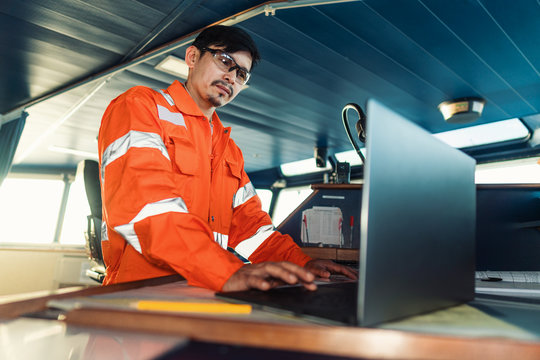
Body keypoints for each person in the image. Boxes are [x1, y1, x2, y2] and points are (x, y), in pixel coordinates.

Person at [98, 25, 356, 292]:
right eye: (225, 61)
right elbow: (147, 208)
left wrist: (302, 264)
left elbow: (252, 231)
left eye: (241, 73)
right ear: (192, 57)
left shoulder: (228, 149)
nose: (232, 77)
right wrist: (223, 272)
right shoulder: (139, 107)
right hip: (140, 294)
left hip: (205, 290)